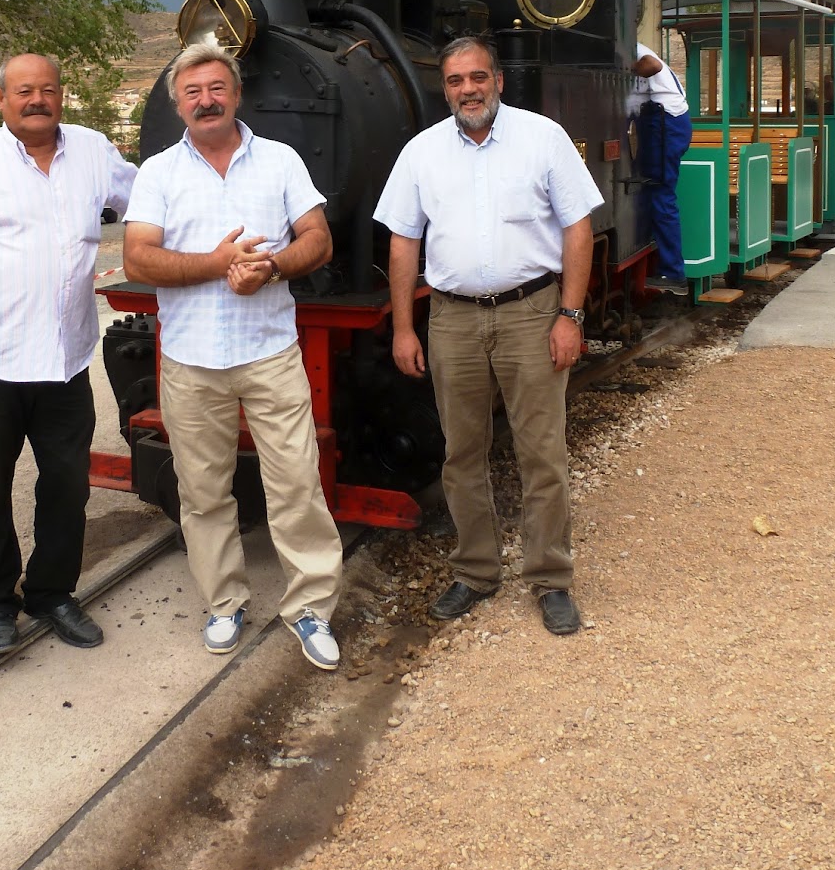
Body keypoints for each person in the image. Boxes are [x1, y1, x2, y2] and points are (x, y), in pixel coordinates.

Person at [122, 45, 344, 671]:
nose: (206, 100)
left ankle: (311, 609)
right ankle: (225, 603)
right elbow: (139, 258)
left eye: (216, 87)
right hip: (191, 360)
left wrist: (269, 267)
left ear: (237, 93)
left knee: (297, 485)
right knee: (202, 493)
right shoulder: (159, 173)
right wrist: (218, 265)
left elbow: (318, 239)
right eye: (192, 92)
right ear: (177, 104)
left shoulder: (279, 161)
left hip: (269, 352)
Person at [375, 36, 603, 635]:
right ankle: (476, 572)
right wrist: (403, 326)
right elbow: (403, 240)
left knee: (542, 452)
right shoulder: (421, 153)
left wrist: (570, 316)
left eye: (478, 77)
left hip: (532, 313)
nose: (468, 89)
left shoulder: (543, 138)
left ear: (498, 80)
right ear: (444, 88)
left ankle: (551, 579)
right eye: (455, 81)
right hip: (451, 319)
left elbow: (579, 228)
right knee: (461, 453)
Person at [0, 54, 136, 656]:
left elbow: (146, 203)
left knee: (67, 487)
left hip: (64, 364)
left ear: (62, 95)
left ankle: (52, 593)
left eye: (48, 90)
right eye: (24, 91)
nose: (37, 100)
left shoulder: (94, 152)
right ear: (2, 97)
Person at [632, 41, 693, 293]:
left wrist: (627, 71)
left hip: (665, 122)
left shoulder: (634, 48)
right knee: (654, 193)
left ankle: (673, 272)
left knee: (661, 194)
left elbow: (651, 65)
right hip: (667, 122)